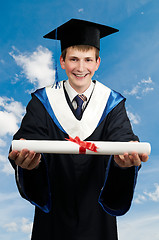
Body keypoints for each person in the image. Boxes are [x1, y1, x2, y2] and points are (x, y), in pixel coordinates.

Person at [8, 19, 148, 240]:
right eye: (73, 59)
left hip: (97, 210)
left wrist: (124, 161)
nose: (81, 68)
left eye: (88, 60)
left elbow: (123, 137)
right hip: (54, 208)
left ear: (97, 63)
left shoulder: (112, 103)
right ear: (62, 61)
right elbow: (27, 139)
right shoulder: (42, 101)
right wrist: (30, 165)